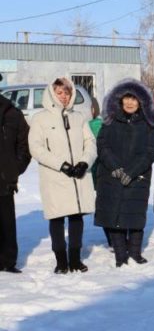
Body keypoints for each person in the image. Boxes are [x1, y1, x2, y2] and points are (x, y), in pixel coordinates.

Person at [30, 78, 98, 273]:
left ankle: (75, 259)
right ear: (51, 93)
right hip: (56, 177)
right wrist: (62, 165)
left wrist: (85, 162)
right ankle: (61, 261)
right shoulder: (40, 119)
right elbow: (36, 148)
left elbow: (90, 143)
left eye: (67, 92)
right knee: (57, 218)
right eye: (60, 92)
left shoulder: (79, 117)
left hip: (78, 176)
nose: (64, 96)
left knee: (77, 217)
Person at [95, 79, 154, 267]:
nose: (130, 103)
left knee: (136, 216)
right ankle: (120, 255)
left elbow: (149, 152)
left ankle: (136, 252)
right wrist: (115, 167)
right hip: (112, 175)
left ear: (141, 102)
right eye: (127, 99)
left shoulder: (148, 125)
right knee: (116, 217)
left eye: (134, 99)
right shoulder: (110, 121)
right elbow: (102, 145)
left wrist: (131, 172)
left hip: (138, 176)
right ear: (120, 101)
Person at [0, 79, 31, 273]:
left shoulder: (12, 113)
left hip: (4, 179)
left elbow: (24, 145)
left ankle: (8, 261)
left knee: (6, 223)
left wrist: (14, 168)